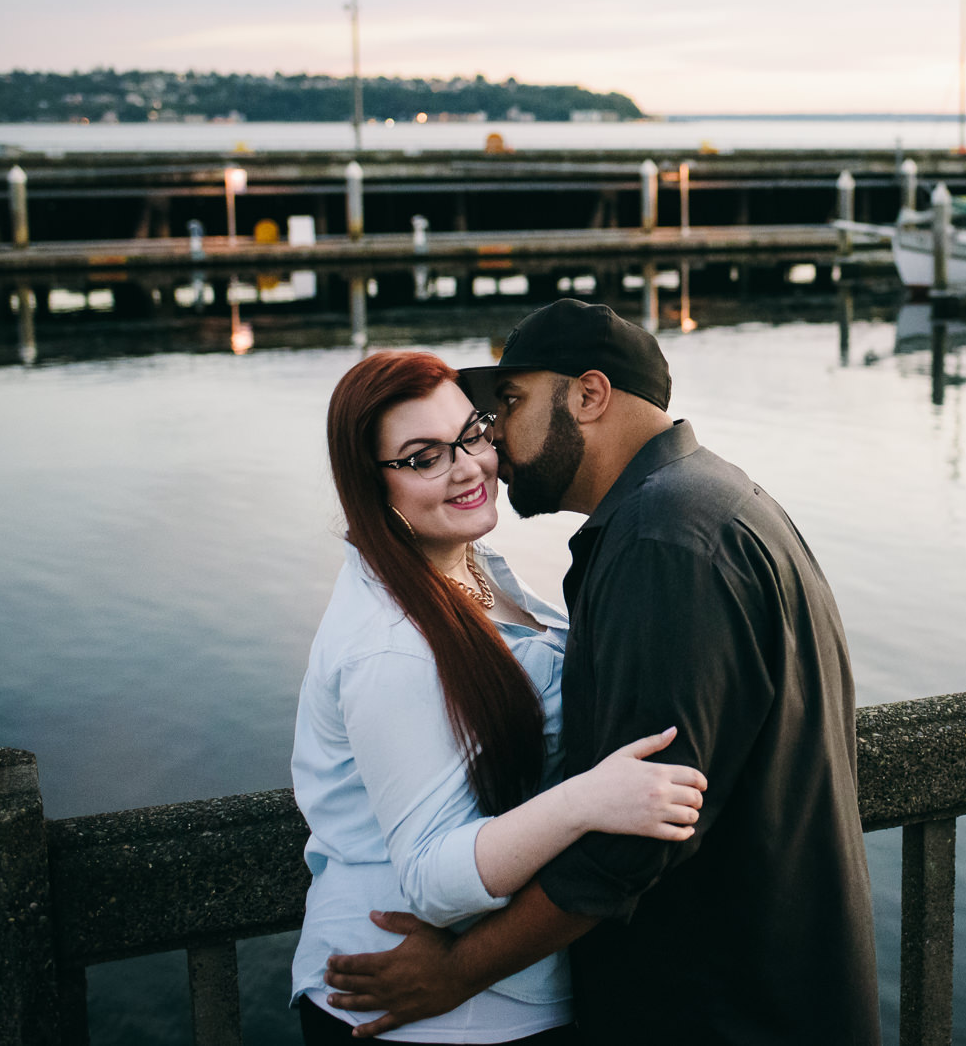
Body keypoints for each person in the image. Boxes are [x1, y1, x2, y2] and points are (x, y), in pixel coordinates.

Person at [324, 301, 879, 1045]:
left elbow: (631, 840)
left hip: (714, 1004)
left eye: (506, 406)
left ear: (588, 396)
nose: (494, 447)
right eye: (428, 454)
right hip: (776, 977)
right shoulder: (719, 501)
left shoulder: (661, 545)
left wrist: (458, 970)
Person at [292, 350, 708, 1045]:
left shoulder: (459, 566)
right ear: (371, 485)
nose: (468, 467)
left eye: (473, 434)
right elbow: (428, 876)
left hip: (498, 991)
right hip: (429, 1015)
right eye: (423, 457)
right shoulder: (390, 648)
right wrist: (587, 799)